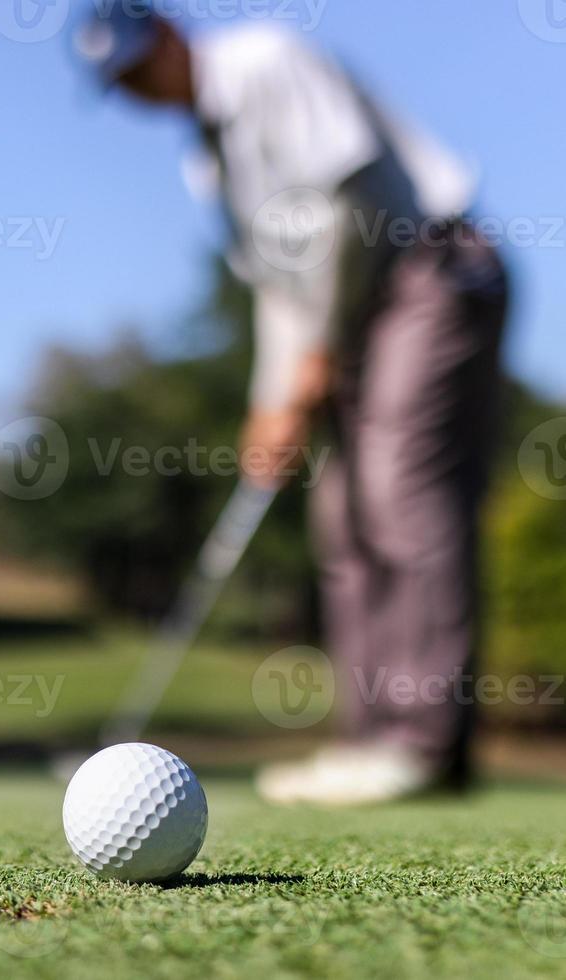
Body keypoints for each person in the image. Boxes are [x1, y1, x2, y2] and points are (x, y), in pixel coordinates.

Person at [72, 4, 510, 805]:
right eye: (120, 83)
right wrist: (269, 405)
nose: (136, 89)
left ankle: (424, 744)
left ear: (168, 33)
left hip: (429, 272)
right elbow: (278, 285)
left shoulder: (265, 59)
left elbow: (354, 203)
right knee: (341, 517)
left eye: (137, 66)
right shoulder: (207, 157)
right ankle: (372, 738)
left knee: (399, 492)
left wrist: (316, 348)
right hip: (352, 314)